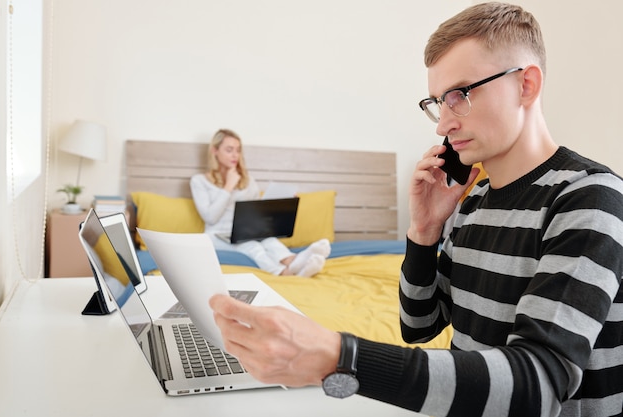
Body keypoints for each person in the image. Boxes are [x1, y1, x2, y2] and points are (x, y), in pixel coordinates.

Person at [209, 3, 623, 416]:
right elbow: (419, 327)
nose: (442, 124)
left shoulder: (589, 199)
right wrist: (424, 230)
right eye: (438, 102)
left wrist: (339, 356)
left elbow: (537, 387)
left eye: (460, 95)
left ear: (526, 85)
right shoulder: (472, 203)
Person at [190, 128, 330, 277]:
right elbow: (210, 217)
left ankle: (294, 261)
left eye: (238, 150)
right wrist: (228, 187)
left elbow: (256, 212)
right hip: (216, 235)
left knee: (269, 240)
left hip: (245, 232)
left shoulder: (248, 180)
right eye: (229, 150)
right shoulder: (199, 181)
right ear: (215, 151)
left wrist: (283, 203)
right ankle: (283, 272)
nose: (235, 155)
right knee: (251, 246)